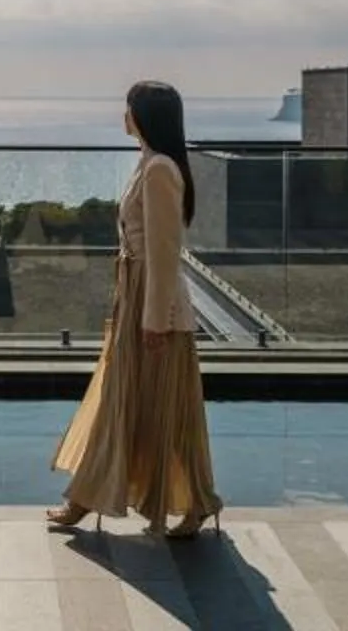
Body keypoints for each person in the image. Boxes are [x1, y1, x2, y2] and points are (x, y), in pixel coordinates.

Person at [46, 79, 225, 539]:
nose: (122, 115)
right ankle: (89, 497)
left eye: (128, 108)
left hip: (154, 305)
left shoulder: (159, 169)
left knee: (162, 407)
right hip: (136, 296)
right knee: (126, 400)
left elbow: (165, 253)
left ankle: (187, 503)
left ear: (143, 115)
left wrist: (154, 321)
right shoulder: (149, 163)